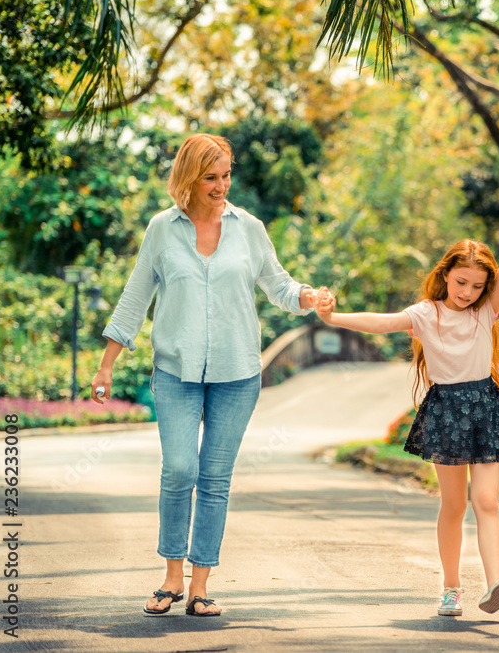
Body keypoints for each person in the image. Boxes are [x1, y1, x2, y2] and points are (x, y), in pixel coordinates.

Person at [89, 133, 328, 617]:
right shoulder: (162, 229)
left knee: (215, 477)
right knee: (180, 469)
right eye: (211, 177)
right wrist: (107, 363)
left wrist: (306, 296)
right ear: (190, 178)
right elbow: (136, 296)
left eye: (226, 175)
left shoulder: (249, 228)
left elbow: (278, 283)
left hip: (237, 371)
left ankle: (200, 585)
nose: (221, 186)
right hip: (175, 370)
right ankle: (171, 575)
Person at [312, 201, 499, 618]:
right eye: (461, 282)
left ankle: (494, 585)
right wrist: (333, 317)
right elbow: (380, 322)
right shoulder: (425, 313)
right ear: (445, 276)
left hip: (485, 405)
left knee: (486, 499)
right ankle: (451, 587)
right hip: (446, 408)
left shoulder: (486, 311)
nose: (468, 291)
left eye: (476, 285)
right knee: (453, 505)